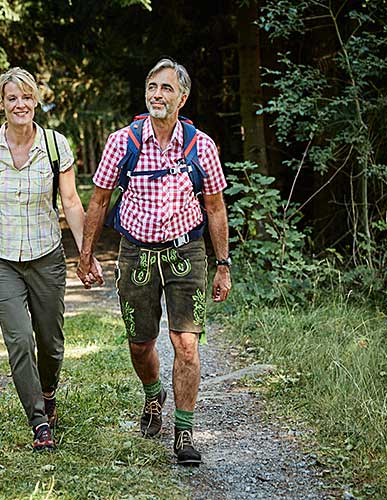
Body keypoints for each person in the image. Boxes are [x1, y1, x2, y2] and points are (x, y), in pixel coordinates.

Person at [76, 58, 231, 466]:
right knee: (140, 343)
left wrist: (223, 264)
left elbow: (215, 208)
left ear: (183, 96)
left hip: (186, 253)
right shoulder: (122, 142)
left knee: (186, 343)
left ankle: (184, 433)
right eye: (151, 86)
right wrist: (87, 253)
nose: (156, 94)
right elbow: (99, 199)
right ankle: (152, 396)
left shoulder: (202, 146)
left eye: (165, 88)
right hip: (136, 252)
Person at [0, 67, 103, 452]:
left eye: (26, 96)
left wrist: (85, 251)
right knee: (20, 340)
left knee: (50, 341)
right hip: (0, 257)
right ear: (1, 104)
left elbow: (71, 202)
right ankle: (39, 420)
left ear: (36, 101)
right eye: (12, 98)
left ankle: (48, 390)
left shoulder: (56, 146)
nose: (20, 104)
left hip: (46, 256)